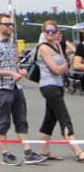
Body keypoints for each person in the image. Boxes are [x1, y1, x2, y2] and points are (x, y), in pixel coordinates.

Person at [0, 13, 46, 166]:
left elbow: (13, 63)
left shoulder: (11, 42)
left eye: (11, 24)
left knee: (21, 119)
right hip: (1, 88)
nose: (10, 27)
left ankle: (28, 151)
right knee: (3, 121)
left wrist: (19, 71)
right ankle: (5, 153)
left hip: (16, 87)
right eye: (7, 24)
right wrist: (10, 73)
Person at [35, 20, 84, 162]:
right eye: (47, 31)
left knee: (50, 119)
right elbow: (57, 69)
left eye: (53, 31)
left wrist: (62, 67)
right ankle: (78, 151)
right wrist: (62, 67)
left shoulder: (57, 45)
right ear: (43, 33)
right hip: (48, 86)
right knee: (64, 117)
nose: (50, 34)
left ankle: (44, 152)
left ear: (57, 33)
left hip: (58, 85)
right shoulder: (43, 48)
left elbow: (66, 65)